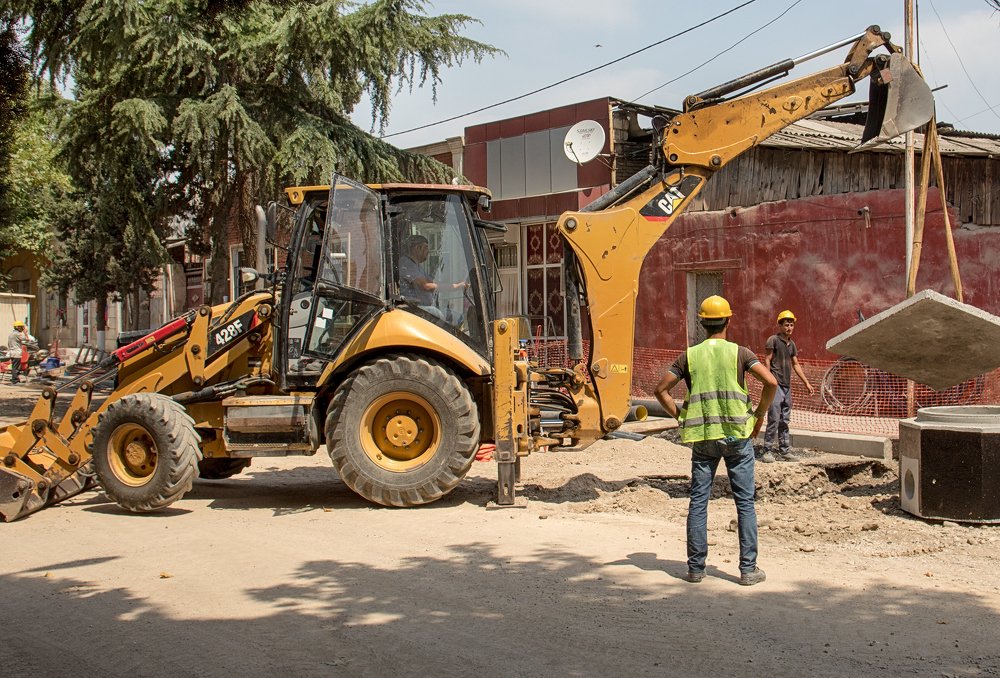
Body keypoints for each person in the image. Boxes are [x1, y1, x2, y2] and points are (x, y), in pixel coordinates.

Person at [654, 295, 777, 586]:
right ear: (728, 320)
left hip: (704, 438)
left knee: (699, 501)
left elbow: (661, 390)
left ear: (702, 322)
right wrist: (759, 415)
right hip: (737, 435)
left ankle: (696, 569)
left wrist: (682, 417)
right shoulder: (741, 353)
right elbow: (771, 382)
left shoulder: (689, 356)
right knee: (745, 502)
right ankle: (748, 570)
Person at [761, 310, 815, 463]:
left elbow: (796, 364)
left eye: (791, 325)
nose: (789, 327)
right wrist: (769, 379)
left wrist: (806, 382)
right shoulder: (773, 340)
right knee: (774, 417)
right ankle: (767, 450)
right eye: (786, 325)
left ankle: (785, 451)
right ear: (780, 325)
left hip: (787, 386)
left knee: (785, 419)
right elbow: (767, 360)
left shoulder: (792, 345)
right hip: (776, 385)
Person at [398, 234, 467, 322]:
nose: (428, 251)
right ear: (417, 248)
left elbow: (434, 282)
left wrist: (455, 284)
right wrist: (457, 286)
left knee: (458, 317)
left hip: (424, 307)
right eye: (426, 247)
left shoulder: (417, 266)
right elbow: (426, 286)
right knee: (437, 314)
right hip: (414, 309)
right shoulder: (407, 263)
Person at [7, 321, 37, 385]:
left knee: (14, 367)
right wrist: (25, 332)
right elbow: (27, 339)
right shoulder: (18, 334)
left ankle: (14, 379)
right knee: (16, 368)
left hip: (12, 352)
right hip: (16, 353)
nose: (22, 328)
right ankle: (15, 381)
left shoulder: (11, 334)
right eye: (21, 327)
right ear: (17, 327)